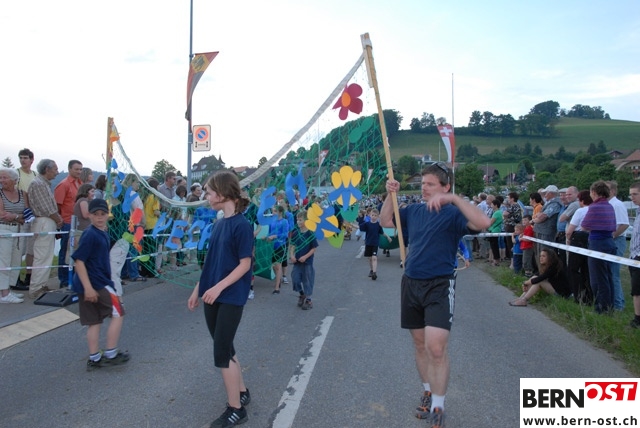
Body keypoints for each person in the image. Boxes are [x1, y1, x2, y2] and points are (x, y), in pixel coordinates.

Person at [380, 163, 490, 427]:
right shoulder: (414, 211)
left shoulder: (453, 214)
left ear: (445, 186)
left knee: (436, 348)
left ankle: (439, 407)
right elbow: (386, 222)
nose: (424, 188)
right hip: (411, 283)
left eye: (430, 184)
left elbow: (483, 222)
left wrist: (454, 199)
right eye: (423, 184)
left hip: (439, 285)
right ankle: (428, 391)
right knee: (420, 345)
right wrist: (390, 195)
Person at [187, 171, 253, 427]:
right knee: (226, 346)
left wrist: (218, 288)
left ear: (223, 193)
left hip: (231, 296)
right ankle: (242, 391)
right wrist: (198, 289)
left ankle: (236, 409)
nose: (206, 196)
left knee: (222, 352)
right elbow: (211, 263)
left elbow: (245, 264)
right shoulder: (218, 224)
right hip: (212, 295)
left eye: (209, 192)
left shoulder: (241, 225)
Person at [71, 198, 130, 371]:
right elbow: (79, 261)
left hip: (90, 283)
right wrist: (88, 288)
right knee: (118, 313)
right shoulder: (91, 234)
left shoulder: (102, 232)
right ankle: (111, 353)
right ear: (89, 215)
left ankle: (94, 358)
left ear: (107, 215)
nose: (99, 217)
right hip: (96, 283)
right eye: (95, 214)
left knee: (95, 321)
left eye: (102, 214)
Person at [28, 159, 63, 299]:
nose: (57, 172)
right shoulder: (38, 184)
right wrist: (58, 219)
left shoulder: (43, 184)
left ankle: (41, 285)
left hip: (46, 221)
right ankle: (36, 288)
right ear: (47, 170)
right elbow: (46, 208)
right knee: (42, 256)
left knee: (46, 256)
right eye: (55, 169)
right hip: (44, 222)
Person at [581, 181, 617, 314]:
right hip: (609, 242)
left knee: (597, 278)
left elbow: (584, 225)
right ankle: (609, 306)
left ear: (594, 192)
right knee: (608, 276)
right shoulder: (609, 206)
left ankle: (601, 307)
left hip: (597, 243)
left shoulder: (594, 207)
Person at [0, 168, 29, 303]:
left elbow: (27, 212)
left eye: (4, 177)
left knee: (15, 260)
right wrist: (18, 217)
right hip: (4, 229)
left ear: (14, 180)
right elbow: (2, 214)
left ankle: (8, 289)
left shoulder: (22, 194)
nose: (1, 180)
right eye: (0, 178)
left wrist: (14, 216)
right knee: (4, 261)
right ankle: (4, 294)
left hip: (19, 230)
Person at [54, 159, 83, 287]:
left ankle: (75, 278)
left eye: (80, 169)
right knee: (65, 251)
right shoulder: (63, 184)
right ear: (69, 169)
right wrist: (58, 221)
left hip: (78, 222)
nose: (79, 172)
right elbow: (57, 205)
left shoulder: (80, 183)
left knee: (76, 251)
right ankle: (64, 279)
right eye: (76, 169)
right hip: (67, 222)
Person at [14, 148, 37, 290]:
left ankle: (29, 275)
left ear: (31, 160)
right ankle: (15, 278)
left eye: (25, 158)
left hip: (33, 215)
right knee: (19, 249)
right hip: (21, 214)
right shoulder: (16, 174)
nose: (23, 160)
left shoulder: (35, 175)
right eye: (21, 158)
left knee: (31, 249)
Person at [565, 190, 593, 304]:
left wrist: (568, 240)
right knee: (587, 269)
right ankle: (589, 296)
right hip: (590, 239)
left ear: (582, 200)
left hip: (578, 238)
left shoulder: (580, 211)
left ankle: (577, 295)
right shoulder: (594, 210)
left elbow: (570, 229)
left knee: (573, 268)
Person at [606, 181, 629, 311]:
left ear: (613, 191)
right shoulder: (608, 204)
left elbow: (624, 224)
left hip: (617, 240)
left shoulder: (617, 205)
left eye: (607, 189)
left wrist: (612, 236)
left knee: (614, 273)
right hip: (610, 240)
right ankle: (612, 301)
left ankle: (618, 304)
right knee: (609, 272)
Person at [289, 210, 318, 310]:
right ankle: (302, 294)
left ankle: (308, 300)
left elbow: (314, 248)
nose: (298, 222)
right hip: (297, 262)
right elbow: (292, 245)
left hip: (307, 262)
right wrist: (292, 255)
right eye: (297, 220)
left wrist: (305, 256)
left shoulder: (310, 233)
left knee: (307, 280)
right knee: (295, 279)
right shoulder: (296, 233)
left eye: (300, 220)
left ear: (306, 221)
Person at [358, 208, 391, 280]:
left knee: (374, 257)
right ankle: (371, 270)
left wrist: (388, 237)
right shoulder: (367, 224)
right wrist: (351, 224)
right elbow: (359, 227)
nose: (374, 217)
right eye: (372, 215)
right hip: (368, 243)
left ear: (378, 217)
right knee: (370, 258)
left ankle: (374, 273)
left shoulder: (378, 225)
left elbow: (382, 233)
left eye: (375, 215)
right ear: (370, 215)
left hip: (375, 243)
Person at [266, 204, 289, 294]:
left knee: (278, 266)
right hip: (272, 246)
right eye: (272, 211)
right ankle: (278, 280)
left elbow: (285, 234)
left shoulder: (284, 221)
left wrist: (275, 236)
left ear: (280, 212)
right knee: (274, 266)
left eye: (275, 211)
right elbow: (269, 232)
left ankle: (277, 288)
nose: (273, 213)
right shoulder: (271, 221)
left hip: (281, 245)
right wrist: (267, 237)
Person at [626, 181, 640, 329]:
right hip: (634, 255)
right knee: (636, 290)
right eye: (631, 195)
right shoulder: (637, 212)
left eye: (635, 194)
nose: (632, 198)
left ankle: (637, 319)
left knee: (637, 290)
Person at [69, 183, 95, 259]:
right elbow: (86, 214)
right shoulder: (83, 200)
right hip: (81, 231)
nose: (93, 194)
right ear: (86, 191)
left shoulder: (83, 201)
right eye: (92, 191)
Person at [487, 198, 503, 267]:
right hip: (495, 230)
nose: (491, 205)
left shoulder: (497, 213)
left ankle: (496, 260)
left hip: (494, 231)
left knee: (494, 246)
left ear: (496, 205)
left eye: (492, 204)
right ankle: (496, 259)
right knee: (494, 246)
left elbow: (491, 222)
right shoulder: (498, 212)